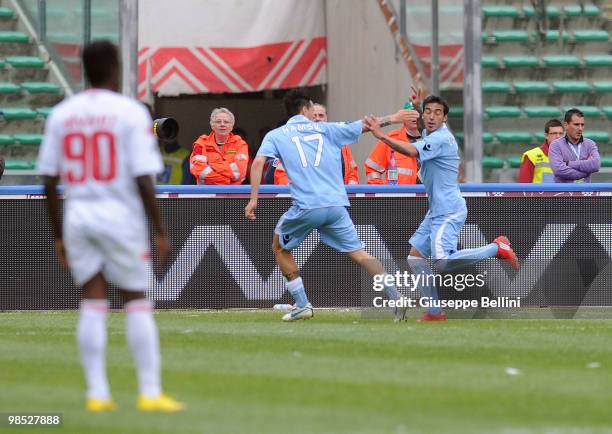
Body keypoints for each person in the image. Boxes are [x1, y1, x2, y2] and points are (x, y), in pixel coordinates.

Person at [37, 40, 183, 412]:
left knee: (92, 301)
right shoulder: (130, 113)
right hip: (120, 217)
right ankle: (150, 392)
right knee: (135, 300)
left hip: (79, 215)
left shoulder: (62, 114)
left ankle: (97, 394)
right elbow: (143, 178)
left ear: (84, 68)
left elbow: (50, 181)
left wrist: (57, 235)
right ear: (115, 68)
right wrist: (160, 230)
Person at [245, 89, 413, 322]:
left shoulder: (276, 135)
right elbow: (365, 125)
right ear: (305, 109)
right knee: (359, 252)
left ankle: (302, 304)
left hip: (307, 206)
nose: (315, 111)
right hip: (335, 205)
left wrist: (254, 198)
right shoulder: (327, 128)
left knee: (280, 248)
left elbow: (259, 162)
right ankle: (396, 297)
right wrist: (393, 117)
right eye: (312, 107)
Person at [365, 95, 519, 321]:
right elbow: (421, 128)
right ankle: (435, 312)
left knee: (442, 261)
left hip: (449, 209)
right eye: (428, 111)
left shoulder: (441, 139)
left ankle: (496, 248)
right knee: (415, 258)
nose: (431, 116)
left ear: (445, 118)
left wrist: (380, 135)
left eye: (438, 112)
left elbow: (411, 151)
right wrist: (418, 106)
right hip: (437, 209)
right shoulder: (431, 133)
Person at [273, 103, 360, 185]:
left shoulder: (341, 144)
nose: (318, 118)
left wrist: (351, 191)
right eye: (314, 115)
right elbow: (281, 174)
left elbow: (352, 170)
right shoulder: (296, 142)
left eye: (321, 115)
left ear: (327, 118)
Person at [189, 108, 249, 185]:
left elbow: (240, 172)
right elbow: (198, 170)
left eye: (226, 122)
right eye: (218, 122)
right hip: (207, 193)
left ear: (232, 127)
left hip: (231, 194)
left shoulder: (240, 144)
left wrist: (212, 165)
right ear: (212, 126)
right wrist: (226, 181)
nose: (222, 124)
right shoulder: (201, 144)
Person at [364, 109, 419, 185]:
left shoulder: (434, 139)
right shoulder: (390, 139)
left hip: (431, 195)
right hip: (399, 196)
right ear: (402, 117)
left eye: (416, 113)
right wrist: (381, 192)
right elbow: (372, 168)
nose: (414, 117)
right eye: (409, 114)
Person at [549, 108, 600, 183]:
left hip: (585, 193)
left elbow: (596, 165)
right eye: (576, 125)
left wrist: (569, 163)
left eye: (582, 125)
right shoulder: (556, 145)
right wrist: (585, 172)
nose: (580, 128)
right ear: (566, 125)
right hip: (564, 193)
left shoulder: (590, 144)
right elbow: (559, 170)